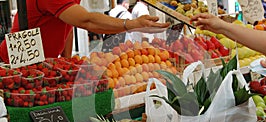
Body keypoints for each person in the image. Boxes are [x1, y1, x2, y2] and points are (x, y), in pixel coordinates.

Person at [0, 0, 170, 63]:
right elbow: (87, 21)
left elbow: (67, 24)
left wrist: (66, 61)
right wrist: (131, 24)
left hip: (41, 64)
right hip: (11, 63)